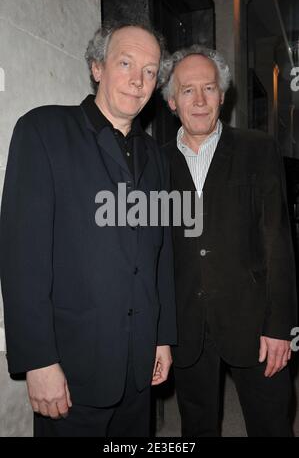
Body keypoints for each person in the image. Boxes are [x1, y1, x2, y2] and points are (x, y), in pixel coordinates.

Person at [0, 22, 176, 437]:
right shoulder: (42, 130)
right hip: (71, 369)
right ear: (97, 67)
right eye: (126, 63)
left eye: (150, 71)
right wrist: (38, 360)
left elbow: (160, 253)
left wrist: (162, 336)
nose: (138, 80)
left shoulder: (156, 155)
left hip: (137, 365)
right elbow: (21, 256)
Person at [162, 45, 297, 437]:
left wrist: (280, 327)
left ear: (223, 95)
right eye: (188, 90)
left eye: (209, 88)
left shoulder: (259, 149)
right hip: (187, 326)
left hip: (256, 322)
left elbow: (278, 241)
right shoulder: (156, 162)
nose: (200, 100)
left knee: (272, 424)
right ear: (172, 101)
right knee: (196, 427)